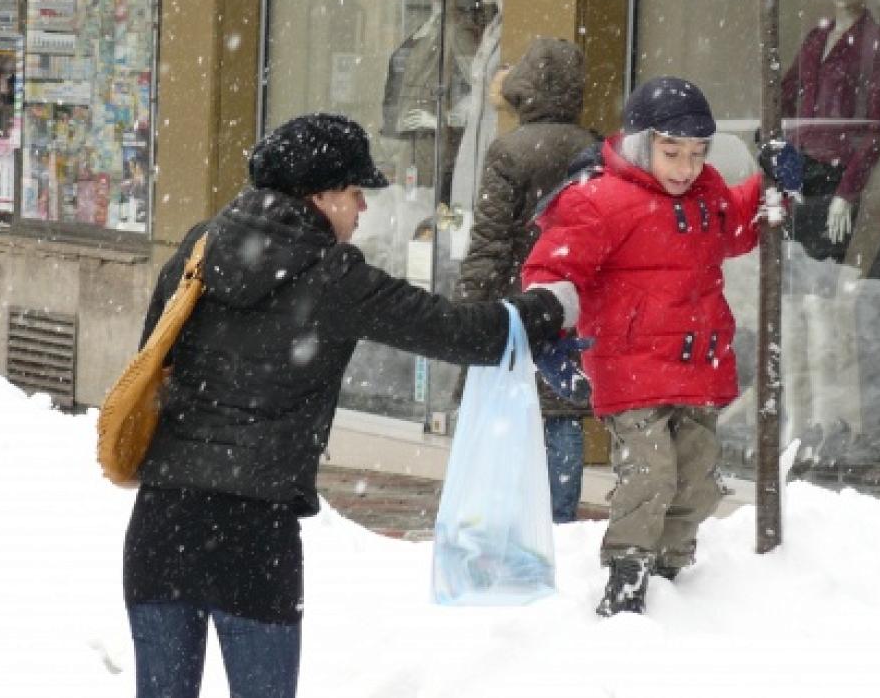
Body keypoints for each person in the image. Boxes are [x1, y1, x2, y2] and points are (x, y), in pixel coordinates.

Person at [122, 113, 575, 697]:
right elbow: (460, 332)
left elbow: (151, 361)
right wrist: (549, 307)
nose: (362, 208)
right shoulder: (332, 276)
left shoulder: (199, 246)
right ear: (319, 195)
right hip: (254, 536)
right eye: (355, 191)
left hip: (162, 525)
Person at [523, 77, 796, 617]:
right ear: (639, 143)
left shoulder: (707, 195)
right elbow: (553, 268)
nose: (686, 167)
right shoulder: (599, 201)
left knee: (697, 481)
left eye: (697, 153)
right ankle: (628, 573)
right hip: (629, 368)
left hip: (697, 366)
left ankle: (669, 573)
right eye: (672, 152)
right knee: (650, 474)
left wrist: (774, 186)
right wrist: (549, 335)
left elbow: (737, 226)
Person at [454, 36, 597, 522]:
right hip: (573, 299)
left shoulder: (509, 152)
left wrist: (468, 309)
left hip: (517, 298)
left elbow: (490, 240)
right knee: (563, 410)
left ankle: (508, 517)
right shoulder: (595, 150)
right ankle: (560, 517)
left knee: (509, 407)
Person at [781, 0, 880, 263]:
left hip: (837, 171)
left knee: (823, 271)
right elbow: (785, 96)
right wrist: (780, 153)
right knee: (791, 270)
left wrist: (846, 192)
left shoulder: (878, 42)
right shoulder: (816, 38)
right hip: (797, 167)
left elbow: (877, 128)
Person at [380, 0, 475, 194]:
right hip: (408, 142)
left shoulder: (456, 29)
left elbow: (482, 88)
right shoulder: (426, 25)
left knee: (420, 209)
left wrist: (443, 119)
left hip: (431, 145)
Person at [448, 0, 505, 258]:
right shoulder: (492, 29)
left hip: (492, 135)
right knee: (466, 223)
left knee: (485, 219)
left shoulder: (509, 32)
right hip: (475, 136)